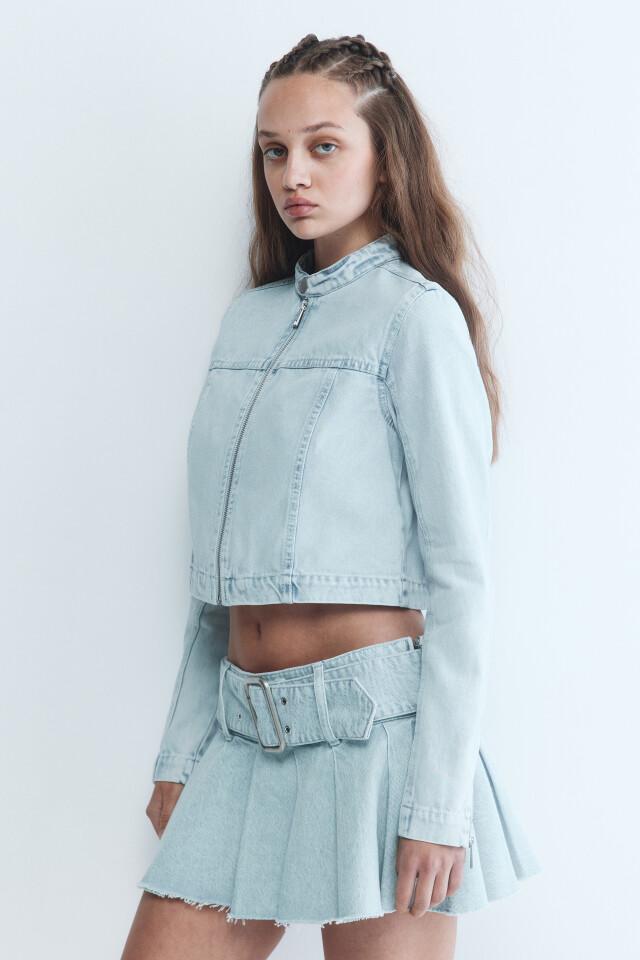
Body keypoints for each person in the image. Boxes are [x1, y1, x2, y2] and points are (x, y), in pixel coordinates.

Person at [121, 33, 541, 960]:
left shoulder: (415, 316)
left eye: (323, 146)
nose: (293, 175)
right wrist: (181, 750)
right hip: (242, 738)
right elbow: (215, 577)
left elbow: (462, 578)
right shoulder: (249, 319)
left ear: (385, 159)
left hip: (378, 744)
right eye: (274, 151)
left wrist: (436, 803)